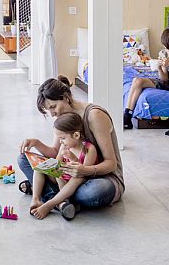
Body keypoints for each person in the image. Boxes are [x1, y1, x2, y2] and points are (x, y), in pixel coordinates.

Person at [17, 76, 124, 212]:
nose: (52, 114)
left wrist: (84, 170)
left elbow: (111, 163)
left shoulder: (94, 115)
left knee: (95, 192)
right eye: (48, 110)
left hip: (100, 177)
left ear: (66, 97)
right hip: (69, 175)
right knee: (23, 158)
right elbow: (56, 153)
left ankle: (49, 193)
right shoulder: (62, 118)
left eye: (53, 107)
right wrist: (36, 143)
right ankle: (62, 200)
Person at [123, 27, 169, 137]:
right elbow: (164, 79)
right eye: (167, 48)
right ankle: (127, 117)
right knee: (137, 81)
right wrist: (158, 67)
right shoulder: (164, 53)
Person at [26, 111, 99, 219]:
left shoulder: (89, 149)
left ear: (76, 135)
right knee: (39, 168)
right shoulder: (64, 147)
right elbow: (57, 164)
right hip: (63, 179)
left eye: (63, 138)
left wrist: (73, 158)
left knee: (76, 179)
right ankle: (36, 199)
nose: (60, 142)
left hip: (77, 181)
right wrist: (47, 166)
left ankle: (49, 204)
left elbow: (83, 172)